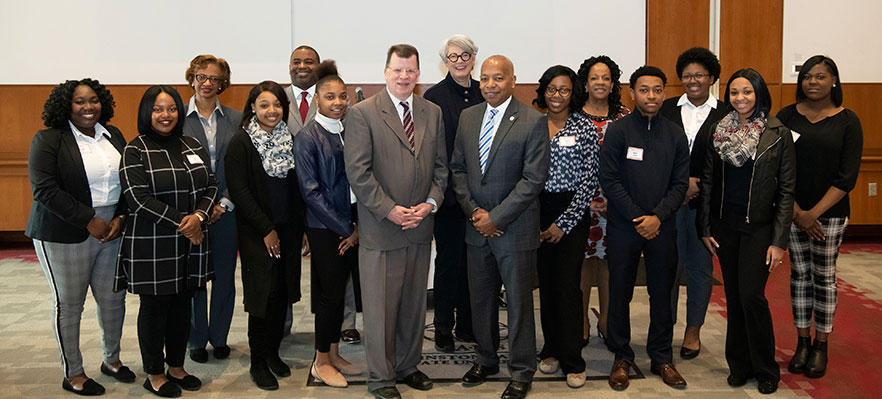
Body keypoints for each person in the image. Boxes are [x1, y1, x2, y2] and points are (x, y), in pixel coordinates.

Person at [343, 44, 447, 399]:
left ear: (419, 74)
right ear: (385, 72)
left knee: (414, 305)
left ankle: (407, 365)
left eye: (411, 71)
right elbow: (358, 172)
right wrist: (388, 208)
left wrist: (430, 203)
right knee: (380, 310)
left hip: (420, 225)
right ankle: (381, 377)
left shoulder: (432, 112)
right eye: (398, 70)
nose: (404, 77)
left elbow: (442, 168)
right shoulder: (363, 113)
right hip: (381, 228)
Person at [26, 78, 134, 396]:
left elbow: (130, 177)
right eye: (79, 102)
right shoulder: (48, 139)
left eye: (93, 100)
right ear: (65, 106)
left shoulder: (112, 135)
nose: (88, 107)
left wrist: (120, 217)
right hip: (64, 232)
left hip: (112, 230)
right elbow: (45, 190)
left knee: (113, 300)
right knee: (70, 305)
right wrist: (89, 220)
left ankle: (111, 361)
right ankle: (72, 372)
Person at [450, 55, 549, 399]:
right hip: (476, 227)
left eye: (498, 78)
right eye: (485, 78)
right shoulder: (468, 116)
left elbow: (534, 179)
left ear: (512, 80)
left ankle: (522, 370)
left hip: (515, 229)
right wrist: (476, 212)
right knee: (480, 300)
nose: (490, 84)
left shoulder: (533, 120)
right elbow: (458, 169)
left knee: (519, 304)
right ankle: (487, 358)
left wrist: (497, 217)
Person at [697, 68, 796, 394]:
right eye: (735, 93)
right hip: (726, 228)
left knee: (752, 296)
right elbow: (708, 182)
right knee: (735, 298)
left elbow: (786, 191)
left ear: (759, 94)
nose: (740, 98)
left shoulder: (777, 132)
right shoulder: (718, 130)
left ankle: (766, 368)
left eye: (747, 92)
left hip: (760, 230)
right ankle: (739, 365)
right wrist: (705, 226)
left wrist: (779, 242)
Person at [116, 85, 216, 397]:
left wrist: (198, 217)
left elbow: (211, 185)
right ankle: (155, 373)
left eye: (171, 108)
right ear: (147, 113)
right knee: (155, 309)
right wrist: (184, 222)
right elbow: (137, 198)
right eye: (158, 109)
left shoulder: (192, 145)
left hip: (190, 242)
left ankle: (176, 366)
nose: (165, 115)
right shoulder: (135, 150)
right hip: (153, 243)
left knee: (181, 307)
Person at [600, 66, 689, 391]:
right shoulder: (619, 131)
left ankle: (662, 356)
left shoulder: (674, 133)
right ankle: (621, 355)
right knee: (620, 291)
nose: (651, 96)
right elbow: (609, 179)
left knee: (662, 294)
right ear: (631, 93)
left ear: (663, 92)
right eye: (644, 90)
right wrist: (639, 218)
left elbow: (680, 183)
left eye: (657, 90)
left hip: (663, 227)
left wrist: (657, 217)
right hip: (624, 226)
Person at [778, 55, 863, 379]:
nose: (813, 82)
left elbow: (847, 177)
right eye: (807, 77)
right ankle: (802, 341)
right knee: (799, 276)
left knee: (823, 278)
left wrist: (813, 213)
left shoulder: (848, 121)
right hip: (792, 212)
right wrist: (798, 212)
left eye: (820, 77)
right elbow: (778, 166)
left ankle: (821, 344)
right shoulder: (787, 116)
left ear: (834, 81)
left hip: (830, 214)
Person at [224, 81, 306, 391]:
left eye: (277, 105)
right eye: (264, 105)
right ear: (253, 108)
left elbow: (296, 190)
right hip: (257, 232)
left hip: (288, 229)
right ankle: (258, 362)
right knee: (262, 296)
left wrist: (301, 229)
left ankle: (273, 353)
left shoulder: (291, 139)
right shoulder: (241, 143)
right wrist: (266, 229)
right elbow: (241, 192)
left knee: (281, 294)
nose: (271, 111)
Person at [293, 60, 362, 388]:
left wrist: (356, 225)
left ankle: (334, 354)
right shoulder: (308, 136)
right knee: (329, 294)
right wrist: (345, 229)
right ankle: (321, 361)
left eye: (342, 96)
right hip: (325, 228)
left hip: (349, 224)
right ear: (317, 99)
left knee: (339, 293)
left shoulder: (347, 131)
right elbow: (311, 192)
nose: (337, 102)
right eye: (330, 97)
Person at [658, 47, 728, 359]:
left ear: (712, 77)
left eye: (699, 74)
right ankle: (664, 325)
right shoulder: (666, 108)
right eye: (687, 75)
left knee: (700, 268)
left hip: (707, 205)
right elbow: (656, 153)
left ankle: (693, 329)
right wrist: (678, 185)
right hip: (667, 203)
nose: (693, 80)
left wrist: (699, 183)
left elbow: (732, 162)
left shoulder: (727, 113)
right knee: (667, 267)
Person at [532, 65, 599, 388]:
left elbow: (589, 181)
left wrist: (563, 223)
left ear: (574, 93)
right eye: (552, 89)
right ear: (543, 91)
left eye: (564, 90)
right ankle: (551, 349)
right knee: (545, 285)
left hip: (571, 212)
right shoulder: (533, 125)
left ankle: (573, 358)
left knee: (568, 286)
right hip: (536, 210)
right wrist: (533, 219)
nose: (557, 96)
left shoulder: (584, 127)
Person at [422, 34, 482, 351]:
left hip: (480, 199)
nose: (459, 61)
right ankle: (443, 327)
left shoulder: (485, 93)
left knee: (475, 265)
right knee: (448, 265)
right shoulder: (433, 97)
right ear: (445, 61)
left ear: (474, 58)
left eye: (465, 55)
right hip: (447, 199)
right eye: (452, 57)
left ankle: (469, 326)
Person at [182, 54, 242, 364]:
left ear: (223, 83)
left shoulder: (236, 118)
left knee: (224, 277)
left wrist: (224, 201)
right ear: (191, 78)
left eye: (214, 78)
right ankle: (196, 339)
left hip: (227, 211)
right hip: (191, 214)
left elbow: (244, 167)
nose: (207, 83)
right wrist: (201, 209)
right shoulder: (175, 118)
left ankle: (219, 337)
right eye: (202, 77)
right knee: (194, 278)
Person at [575, 55, 630, 346]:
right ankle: (581, 320)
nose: (600, 82)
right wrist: (585, 200)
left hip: (616, 202)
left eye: (605, 78)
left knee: (611, 263)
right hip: (580, 202)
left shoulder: (624, 115)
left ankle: (607, 319)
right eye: (594, 77)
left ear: (612, 84)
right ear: (585, 83)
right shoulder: (573, 115)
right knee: (583, 264)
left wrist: (617, 199)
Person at [285, 45, 320, 136]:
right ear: (290, 67)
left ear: (319, 67)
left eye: (308, 62)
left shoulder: (331, 98)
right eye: (296, 62)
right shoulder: (279, 98)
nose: (301, 66)